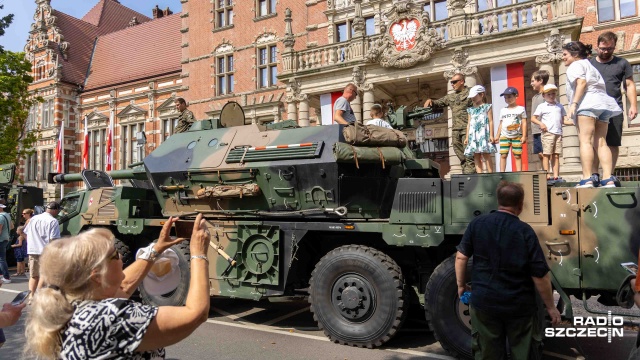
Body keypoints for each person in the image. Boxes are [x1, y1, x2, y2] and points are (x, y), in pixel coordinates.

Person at [25, 213, 211, 359]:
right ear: (96, 275)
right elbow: (195, 314)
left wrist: (156, 249)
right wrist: (198, 253)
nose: (121, 257)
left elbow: (123, 286)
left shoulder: (72, 305)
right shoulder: (111, 317)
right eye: (114, 255)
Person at [455, 181, 561, 360]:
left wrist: (460, 286)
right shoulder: (525, 231)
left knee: (488, 354)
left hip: (484, 304)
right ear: (520, 205)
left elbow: (461, 257)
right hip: (519, 306)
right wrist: (550, 307)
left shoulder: (477, 224)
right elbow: (539, 275)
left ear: (498, 201)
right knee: (524, 353)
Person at [563, 41, 622, 188]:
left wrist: (574, 104)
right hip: (603, 105)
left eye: (565, 54)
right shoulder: (591, 66)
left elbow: (581, 83)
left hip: (587, 104)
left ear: (575, 54)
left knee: (585, 141)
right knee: (601, 142)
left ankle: (587, 178)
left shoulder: (575, 65)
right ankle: (608, 178)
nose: (563, 57)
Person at [590, 32, 638, 184]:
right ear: (597, 46)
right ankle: (594, 174)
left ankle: (608, 174)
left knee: (613, 142)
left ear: (614, 47)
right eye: (602, 48)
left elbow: (629, 85)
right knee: (593, 143)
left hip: (614, 109)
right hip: (594, 108)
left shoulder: (622, 63)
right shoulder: (590, 63)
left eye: (609, 49)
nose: (605, 52)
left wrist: (633, 105)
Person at [424, 73, 475, 174]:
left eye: (454, 82)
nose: (452, 84)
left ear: (462, 81)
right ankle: (466, 170)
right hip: (456, 128)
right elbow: (438, 102)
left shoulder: (470, 93)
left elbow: (477, 108)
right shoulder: (451, 96)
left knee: (468, 151)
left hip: (467, 127)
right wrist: (430, 101)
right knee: (457, 149)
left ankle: (471, 171)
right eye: (451, 82)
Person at [531, 84, 571, 182]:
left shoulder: (559, 106)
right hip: (547, 133)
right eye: (549, 94)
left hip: (558, 133)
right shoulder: (542, 106)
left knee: (556, 155)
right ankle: (547, 175)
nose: (551, 96)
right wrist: (541, 124)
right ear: (544, 96)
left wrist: (573, 122)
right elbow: (533, 118)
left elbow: (562, 120)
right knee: (546, 154)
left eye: (553, 94)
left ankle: (556, 176)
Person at [24, 202, 61, 299]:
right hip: (45, 251)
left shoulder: (33, 218)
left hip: (32, 250)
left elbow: (25, 232)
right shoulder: (53, 221)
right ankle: (39, 296)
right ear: (55, 210)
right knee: (43, 275)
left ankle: (31, 296)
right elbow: (54, 239)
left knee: (33, 275)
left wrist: (31, 243)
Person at [463, 85, 495, 173]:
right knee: (476, 155)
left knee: (486, 154)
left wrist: (491, 135)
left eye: (474, 96)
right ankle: (479, 174)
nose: (472, 98)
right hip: (473, 135)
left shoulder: (487, 107)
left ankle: (490, 173)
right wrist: (467, 137)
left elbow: (491, 121)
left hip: (483, 134)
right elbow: (469, 124)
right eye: (471, 97)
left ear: (481, 95)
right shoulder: (470, 110)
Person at [495, 87, 527, 172]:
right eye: (505, 97)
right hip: (504, 135)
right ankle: (502, 173)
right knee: (503, 154)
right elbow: (501, 123)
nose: (507, 99)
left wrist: (524, 136)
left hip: (516, 136)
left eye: (509, 97)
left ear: (516, 96)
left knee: (517, 155)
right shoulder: (503, 110)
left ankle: (519, 173)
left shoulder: (521, 109)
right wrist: (497, 135)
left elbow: (524, 122)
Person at [530, 70, 550, 166]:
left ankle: (549, 174)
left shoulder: (546, 95)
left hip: (544, 130)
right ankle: (545, 173)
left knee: (546, 153)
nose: (531, 83)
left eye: (533, 81)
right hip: (536, 130)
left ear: (540, 80)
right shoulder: (535, 97)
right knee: (540, 154)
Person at [0, 200, 12, 284]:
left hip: (1, 239)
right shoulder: (7, 215)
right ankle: (2, 274)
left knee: (1, 259)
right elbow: (12, 226)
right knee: (2, 258)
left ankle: (6, 277)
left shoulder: (0, 217)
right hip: (6, 238)